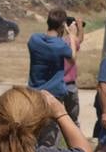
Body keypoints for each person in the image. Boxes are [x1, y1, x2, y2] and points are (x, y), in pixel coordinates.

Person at [27, 9, 82, 143]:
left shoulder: (34, 39)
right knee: (49, 137)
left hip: (34, 94)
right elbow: (72, 58)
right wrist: (72, 36)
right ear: (62, 25)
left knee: (33, 133)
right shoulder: (60, 46)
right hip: (53, 96)